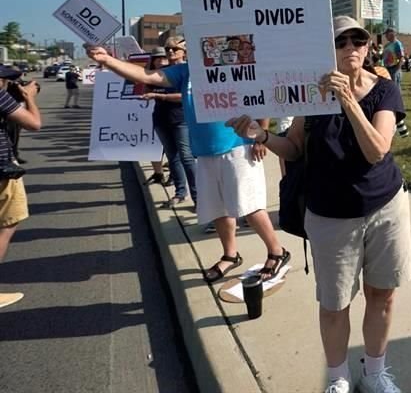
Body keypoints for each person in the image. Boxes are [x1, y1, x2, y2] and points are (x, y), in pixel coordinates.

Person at [227, 16, 411, 393]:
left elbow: (377, 150)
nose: (351, 49)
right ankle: (338, 376)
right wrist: (259, 134)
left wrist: (347, 100)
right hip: (330, 213)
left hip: (385, 207)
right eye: (341, 42)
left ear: (368, 46)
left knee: (382, 294)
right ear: (327, 51)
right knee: (334, 303)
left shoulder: (384, 89)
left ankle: (375, 372)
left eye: (357, 41)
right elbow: (294, 147)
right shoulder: (312, 95)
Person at [84, 42, 288, 285]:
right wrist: (107, 60)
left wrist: (261, 136)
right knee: (217, 209)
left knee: (250, 206)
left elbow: (260, 97)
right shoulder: (185, 71)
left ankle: (277, 251)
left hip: (237, 146)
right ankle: (230, 255)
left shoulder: (233, 62)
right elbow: (146, 75)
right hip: (204, 151)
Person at [0, 66, 42, 309]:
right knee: (7, 225)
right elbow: (34, 123)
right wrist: (29, 98)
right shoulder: (2, 97)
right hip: (3, 171)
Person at [141, 38, 198, 207]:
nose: (170, 52)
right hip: (160, 118)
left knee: (186, 157)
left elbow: (186, 96)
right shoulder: (161, 72)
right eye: (168, 49)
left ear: (184, 52)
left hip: (181, 119)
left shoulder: (189, 71)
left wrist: (160, 96)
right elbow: (146, 88)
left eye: (175, 49)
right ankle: (180, 192)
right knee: (172, 157)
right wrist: (150, 67)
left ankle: (199, 198)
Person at [143, 48, 169, 186]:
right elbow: (144, 92)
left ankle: (174, 176)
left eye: (163, 58)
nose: (161, 61)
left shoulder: (174, 73)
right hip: (158, 113)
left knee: (173, 149)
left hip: (176, 116)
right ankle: (158, 173)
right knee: (155, 146)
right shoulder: (150, 77)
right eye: (157, 59)